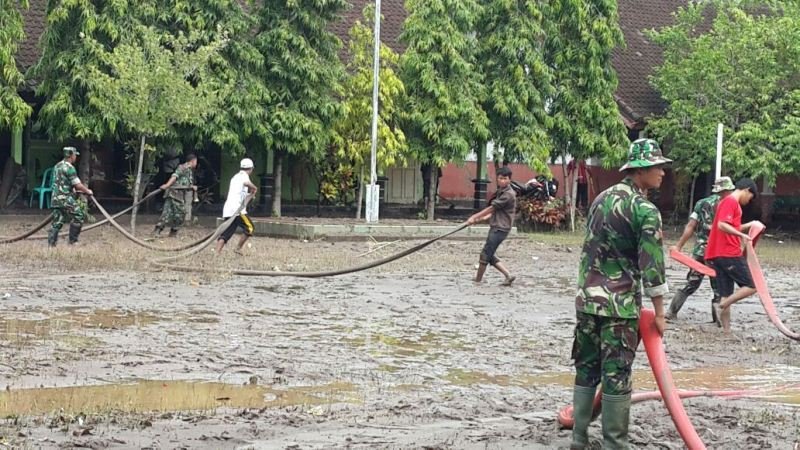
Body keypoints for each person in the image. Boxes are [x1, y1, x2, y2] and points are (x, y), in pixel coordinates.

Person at [571, 138, 670, 449]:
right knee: (616, 375)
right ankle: (615, 443)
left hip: (587, 301)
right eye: (657, 167)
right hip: (619, 305)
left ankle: (578, 438)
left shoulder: (601, 199)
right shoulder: (645, 210)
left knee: (586, 368)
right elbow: (652, 264)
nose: (662, 173)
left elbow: (589, 250)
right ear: (640, 170)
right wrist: (660, 313)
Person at [666, 177, 736, 321]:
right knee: (719, 287)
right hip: (717, 253)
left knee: (691, 283)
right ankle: (719, 321)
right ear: (727, 190)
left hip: (700, 251)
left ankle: (671, 312)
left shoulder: (701, 203)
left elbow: (691, 226)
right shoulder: (729, 205)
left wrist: (679, 246)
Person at [706, 178, 759, 333]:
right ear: (747, 190)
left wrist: (749, 225)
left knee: (725, 293)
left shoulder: (725, 202)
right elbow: (722, 225)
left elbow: (732, 226)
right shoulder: (731, 202)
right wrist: (741, 236)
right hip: (728, 252)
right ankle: (720, 305)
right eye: (751, 197)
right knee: (751, 286)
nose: (749, 201)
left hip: (717, 254)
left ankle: (726, 331)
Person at [467, 166, 516, 285]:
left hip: (500, 228)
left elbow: (492, 207)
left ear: (509, 179)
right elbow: (498, 210)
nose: (502, 181)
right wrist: (482, 219)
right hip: (498, 226)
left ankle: (478, 281)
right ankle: (508, 275)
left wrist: (474, 217)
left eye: (505, 178)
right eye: (500, 178)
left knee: (485, 254)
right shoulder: (502, 191)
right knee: (489, 253)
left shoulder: (508, 194)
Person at [47, 147, 94, 247]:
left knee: (57, 221)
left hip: (55, 198)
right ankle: (73, 241)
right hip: (65, 198)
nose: (76, 157)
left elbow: (62, 182)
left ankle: (51, 244)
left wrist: (73, 189)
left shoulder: (57, 166)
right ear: (71, 155)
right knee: (79, 215)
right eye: (75, 155)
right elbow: (77, 184)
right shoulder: (69, 168)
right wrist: (87, 191)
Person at [215, 158, 258, 254]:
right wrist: (255, 188)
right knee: (250, 228)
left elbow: (241, 196)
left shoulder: (235, 177)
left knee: (227, 232)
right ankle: (237, 248)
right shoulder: (244, 176)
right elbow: (247, 183)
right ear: (251, 169)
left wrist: (251, 194)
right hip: (237, 210)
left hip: (228, 209)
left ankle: (217, 252)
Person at [154, 154, 197, 237]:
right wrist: (167, 185)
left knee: (179, 214)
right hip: (173, 194)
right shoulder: (182, 167)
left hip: (180, 196)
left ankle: (173, 232)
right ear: (193, 161)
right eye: (196, 161)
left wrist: (192, 187)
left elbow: (185, 183)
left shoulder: (189, 171)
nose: (196, 163)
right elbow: (175, 176)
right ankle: (157, 231)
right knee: (168, 214)